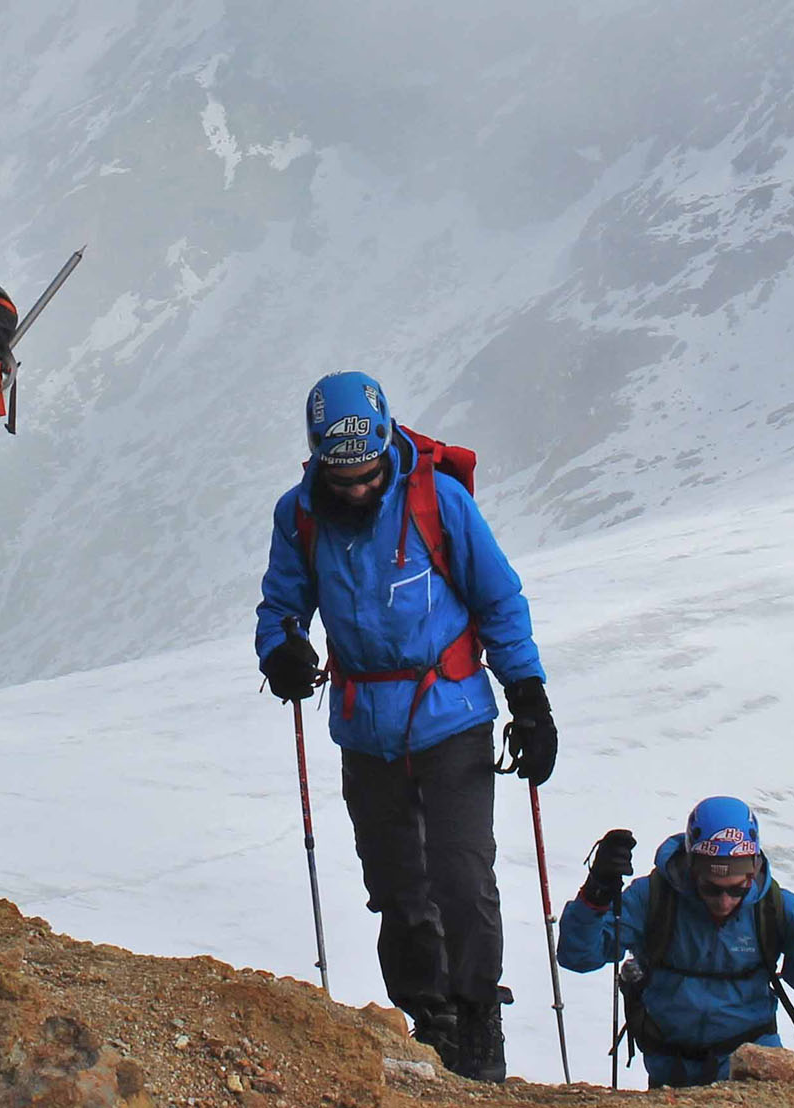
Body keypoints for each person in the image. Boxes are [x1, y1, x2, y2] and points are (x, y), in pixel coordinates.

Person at [254, 371, 557, 1082]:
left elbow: (498, 600)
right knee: (395, 885)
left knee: (461, 871)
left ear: (386, 444)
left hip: (451, 715)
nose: (356, 487)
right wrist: (283, 652)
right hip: (366, 728)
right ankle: (430, 1019)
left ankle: (477, 1020)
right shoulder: (298, 516)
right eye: (341, 475)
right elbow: (280, 607)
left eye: (365, 473)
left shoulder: (437, 502)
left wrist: (530, 698)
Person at [557, 796, 794, 1088]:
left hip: (752, 1068)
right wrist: (597, 891)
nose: (724, 901)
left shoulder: (778, 908)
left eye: (736, 889)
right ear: (692, 868)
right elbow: (579, 956)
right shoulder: (652, 898)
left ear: (754, 870)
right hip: (671, 1070)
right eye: (711, 888)